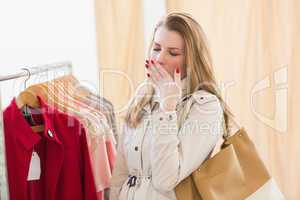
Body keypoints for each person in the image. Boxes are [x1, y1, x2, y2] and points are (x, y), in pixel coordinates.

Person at [109, 12, 235, 200]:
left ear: (191, 59)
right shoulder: (143, 95)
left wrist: (167, 108)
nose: (159, 58)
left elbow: (165, 179)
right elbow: (121, 172)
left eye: (173, 52)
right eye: (157, 48)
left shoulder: (205, 106)